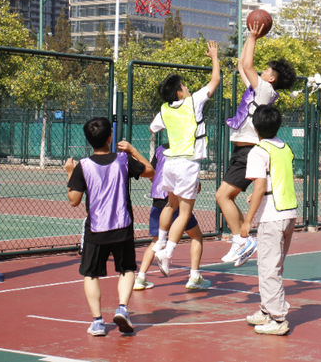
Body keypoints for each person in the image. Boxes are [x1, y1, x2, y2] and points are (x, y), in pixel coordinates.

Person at [65, 117, 154, 336]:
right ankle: (122, 308)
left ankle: (97, 322)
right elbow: (150, 170)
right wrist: (133, 150)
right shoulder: (123, 160)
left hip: (96, 229)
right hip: (122, 226)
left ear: (88, 140)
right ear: (110, 138)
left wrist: (70, 173)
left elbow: (74, 200)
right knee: (127, 269)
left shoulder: (83, 166)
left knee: (90, 274)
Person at [216, 22, 296, 267]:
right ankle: (243, 238)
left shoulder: (265, 90)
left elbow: (248, 66)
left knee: (222, 196)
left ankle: (242, 239)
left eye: (267, 69)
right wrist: (249, 40)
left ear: (271, 78)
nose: (262, 70)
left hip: (248, 150)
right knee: (225, 196)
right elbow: (243, 65)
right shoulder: (257, 89)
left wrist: (252, 36)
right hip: (242, 149)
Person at [149, 41, 220, 277]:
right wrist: (214, 57)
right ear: (180, 91)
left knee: (170, 205)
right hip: (187, 164)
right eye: (185, 85)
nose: (188, 87)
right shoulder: (193, 102)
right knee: (185, 213)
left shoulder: (165, 109)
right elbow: (215, 81)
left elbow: (152, 127)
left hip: (169, 163)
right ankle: (167, 251)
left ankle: (160, 242)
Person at [241, 105, 298, 336]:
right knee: (274, 265)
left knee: (268, 268)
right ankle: (267, 310)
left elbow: (260, 186)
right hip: (289, 213)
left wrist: (247, 221)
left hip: (272, 216)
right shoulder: (284, 147)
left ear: (255, 128)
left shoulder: (258, 151)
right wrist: (259, 195)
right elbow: (274, 180)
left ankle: (277, 318)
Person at [134, 143, 211, 290]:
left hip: (158, 198)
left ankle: (141, 277)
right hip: (175, 197)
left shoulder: (160, 149)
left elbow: (152, 174)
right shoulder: (186, 148)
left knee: (157, 240)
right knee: (196, 236)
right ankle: (194, 276)